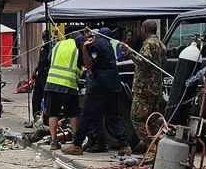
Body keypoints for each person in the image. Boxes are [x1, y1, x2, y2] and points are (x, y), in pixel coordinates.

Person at [63, 27, 131, 156]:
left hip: (100, 86)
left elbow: (89, 65)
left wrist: (84, 49)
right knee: (113, 116)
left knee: (87, 115)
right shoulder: (108, 45)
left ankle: (77, 145)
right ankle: (125, 145)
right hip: (113, 85)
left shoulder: (96, 45)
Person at [125, 19, 168, 151]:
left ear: (144, 29)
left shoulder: (148, 44)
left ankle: (151, 145)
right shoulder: (161, 45)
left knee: (136, 117)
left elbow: (143, 62)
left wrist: (129, 52)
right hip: (155, 88)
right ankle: (159, 144)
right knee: (154, 118)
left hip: (144, 88)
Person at [43, 34, 81, 150]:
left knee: (52, 113)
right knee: (73, 113)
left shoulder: (58, 45)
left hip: (51, 82)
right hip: (68, 84)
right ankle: (76, 141)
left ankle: (54, 141)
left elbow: (49, 60)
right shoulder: (78, 47)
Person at [31, 29, 52, 125]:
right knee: (36, 97)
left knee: (45, 97)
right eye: (43, 37)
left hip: (46, 75)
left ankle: (45, 118)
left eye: (45, 37)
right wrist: (36, 69)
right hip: (40, 74)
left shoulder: (51, 48)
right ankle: (36, 116)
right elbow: (41, 62)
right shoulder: (43, 48)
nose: (44, 39)